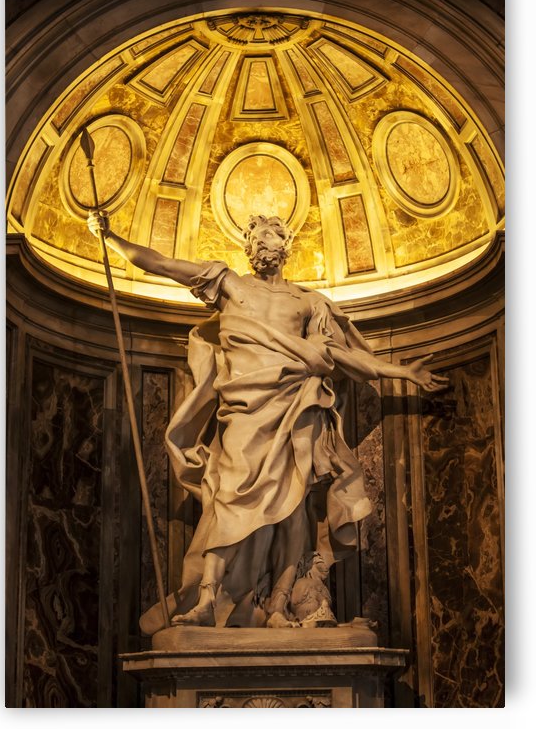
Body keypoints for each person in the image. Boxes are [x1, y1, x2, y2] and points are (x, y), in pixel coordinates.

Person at [87, 211, 447, 631]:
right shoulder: (229, 285)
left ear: (285, 246)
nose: (260, 246)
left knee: (295, 510)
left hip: (296, 404)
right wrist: (111, 238)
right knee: (230, 496)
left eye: (268, 238)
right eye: (254, 240)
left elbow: (341, 356)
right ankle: (206, 598)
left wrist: (401, 372)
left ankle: (277, 604)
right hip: (246, 407)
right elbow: (163, 264)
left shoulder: (309, 303)